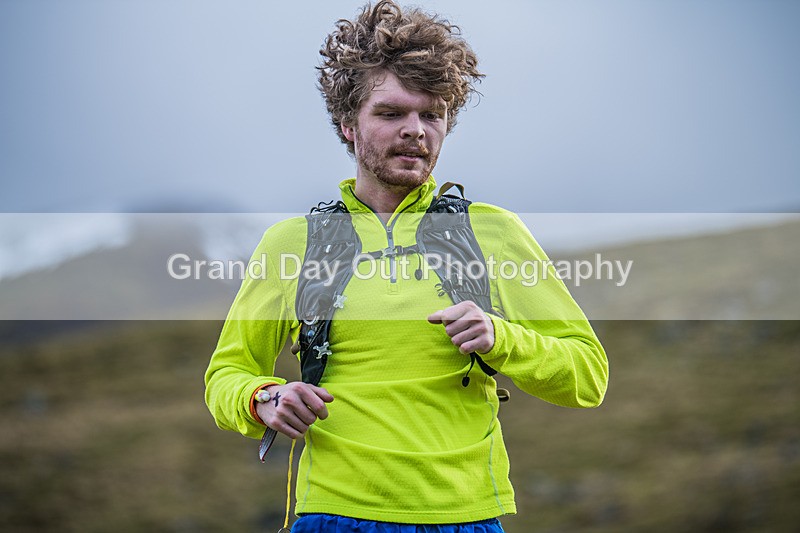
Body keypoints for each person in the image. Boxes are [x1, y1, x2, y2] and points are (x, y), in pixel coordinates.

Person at [204, 1, 609, 531]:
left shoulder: (494, 233)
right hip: (333, 515)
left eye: (432, 115)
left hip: (468, 517)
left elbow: (587, 375)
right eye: (392, 113)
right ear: (348, 124)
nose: (416, 130)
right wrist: (264, 398)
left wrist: (501, 338)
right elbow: (224, 377)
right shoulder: (292, 244)